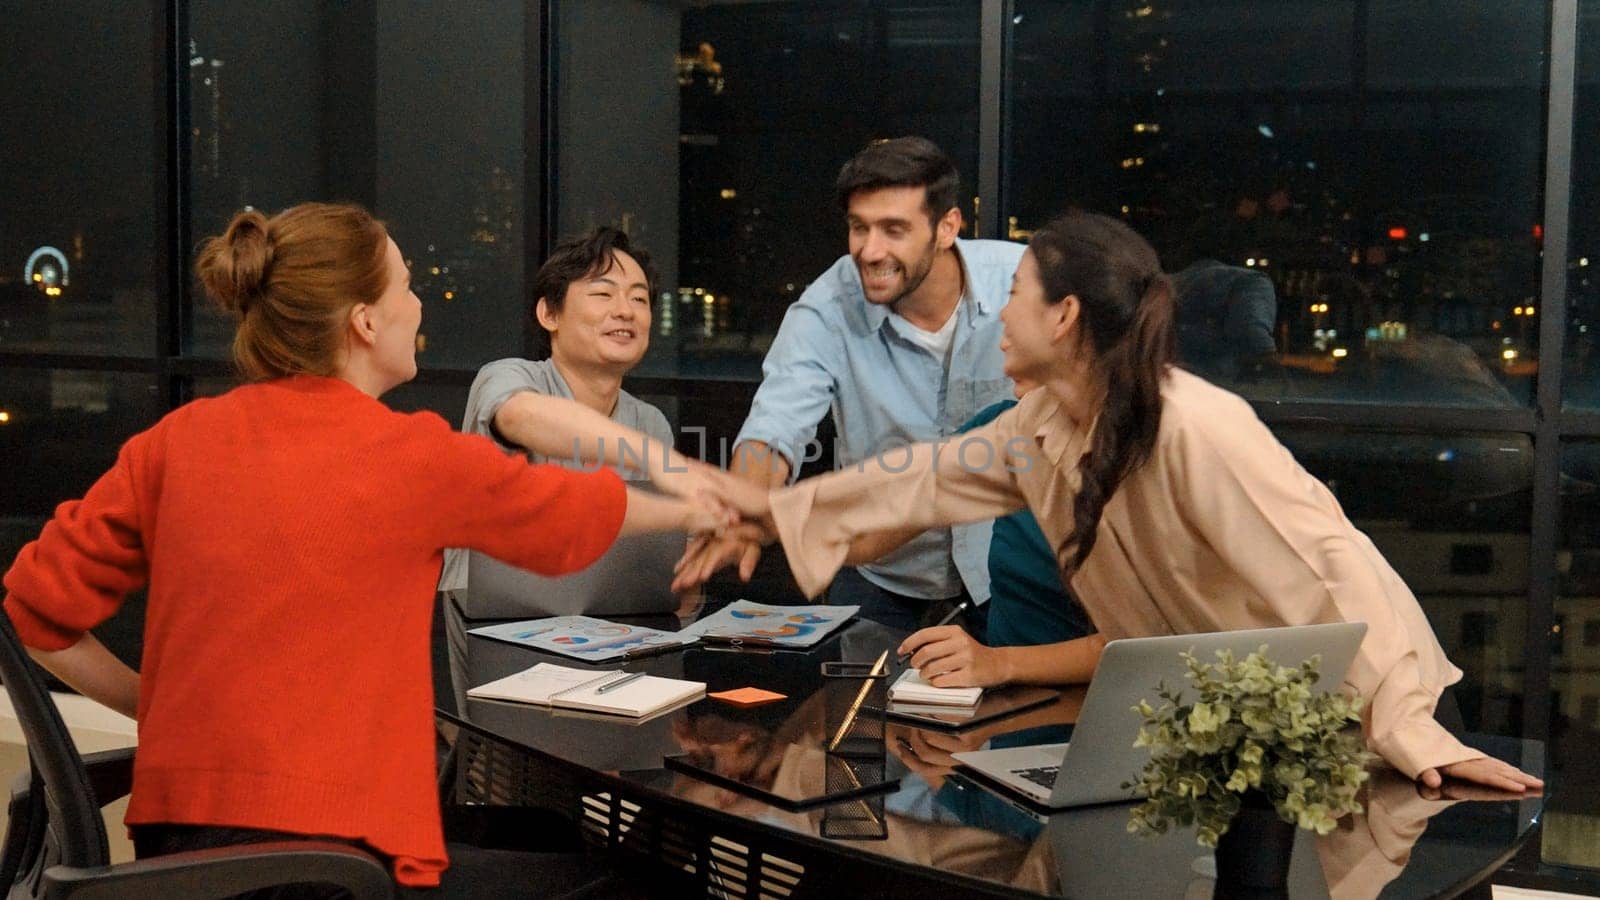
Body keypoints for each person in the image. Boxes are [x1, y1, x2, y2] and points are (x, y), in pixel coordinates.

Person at [0, 203, 741, 897]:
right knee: (647, 878)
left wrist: (155, 708)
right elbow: (566, 509)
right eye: (409, 287)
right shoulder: (404, 454)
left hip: (183, 859)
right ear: (363, 322)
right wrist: (713, 500)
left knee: (542, 833)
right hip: (330, 867)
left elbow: (35, 612)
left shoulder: (174, 441)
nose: (419, 307)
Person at [690, 210, 1542, 793]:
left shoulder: (1197, 427)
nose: (999, 319)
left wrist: (1410, 732)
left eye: (1016, 296)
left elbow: (1333, 576)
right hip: (1237, 724)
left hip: (1375, 712)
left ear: (1063, 317)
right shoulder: (1042, 424)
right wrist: (771, 514)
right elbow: (923, 478)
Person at [681, 136, 1024, 633]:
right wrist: (743, 511)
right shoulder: (828, 306)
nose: (869, 249)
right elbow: (775, 426)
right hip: (878, 576)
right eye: (858, 228)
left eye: (894, 229)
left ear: (947, 226)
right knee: (858, 710)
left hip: (1002, 573)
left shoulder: (1018, 282)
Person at [439, 226, 706, 711]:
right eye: (602, 293)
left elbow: (667, 570)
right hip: (496, 640)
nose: (624, 311)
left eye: (639, 298)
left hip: (615, 644)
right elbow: (518, 416)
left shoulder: (650, 422)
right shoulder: (507, 378)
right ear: (550, 313)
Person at [842, 377, 1103, 688]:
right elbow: (871, 532)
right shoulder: (1002, 427)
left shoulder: (1139, 448)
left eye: (1012, 325)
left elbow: (1142, 643)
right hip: (1006, 712)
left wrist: (1001, 662)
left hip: (1099, 712)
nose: (1002, 339)